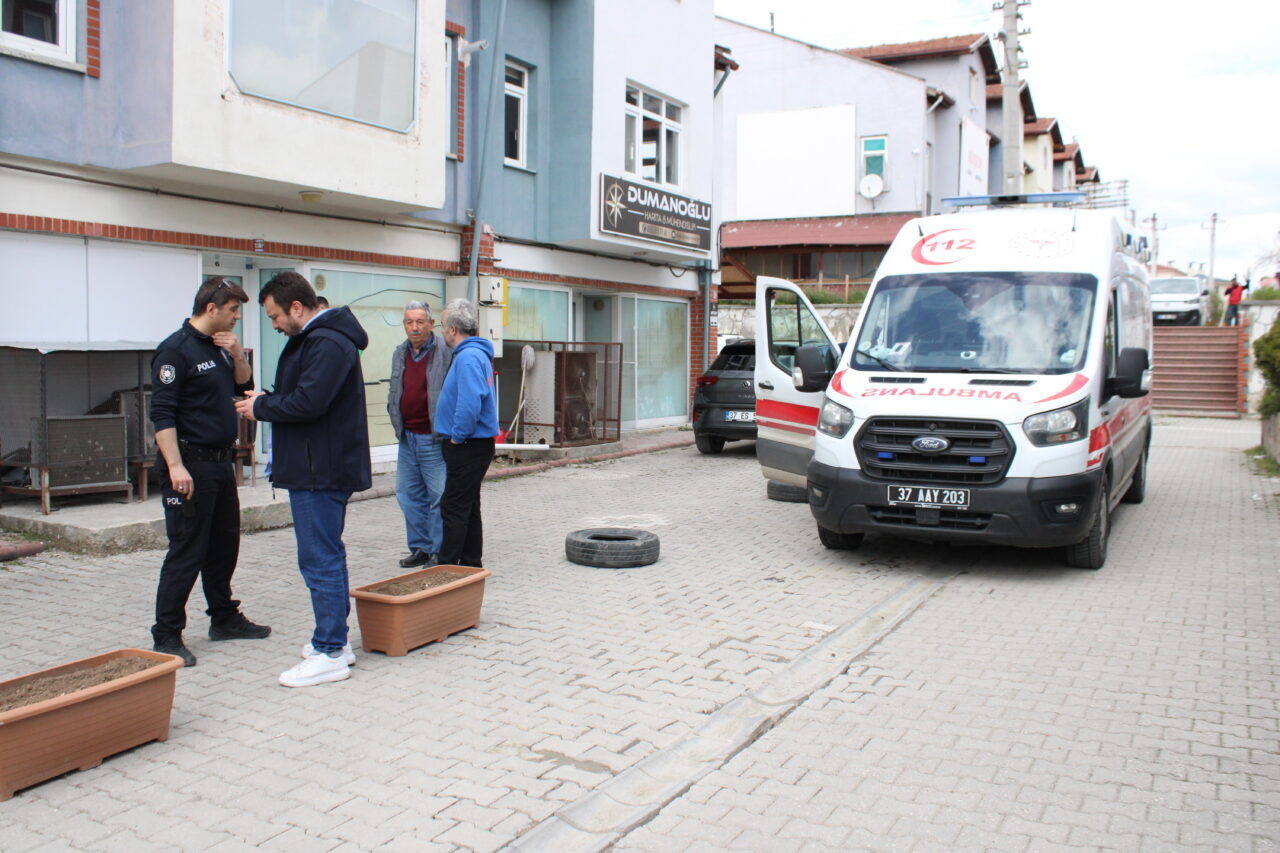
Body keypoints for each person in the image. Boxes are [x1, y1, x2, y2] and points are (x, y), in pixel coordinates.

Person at [235, 272, 370, 688]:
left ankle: (330, 650)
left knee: (320, 558)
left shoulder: (327, 341)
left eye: (275, 316)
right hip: (316, 466)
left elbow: (310, 402)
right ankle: (335, 643)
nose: (273, 325)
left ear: (297, 308)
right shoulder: (316, 338)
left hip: (321, 470)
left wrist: (262, 406)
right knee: (323, 555)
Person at [149, 277, 270, 667]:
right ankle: (166, 635)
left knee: (223, 547)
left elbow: (244, 386)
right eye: (234, 310)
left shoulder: (220, 346)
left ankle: (224, 618)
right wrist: (175, 466)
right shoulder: (174, 351)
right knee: (186, 551)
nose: (237, 318)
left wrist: (236, 354)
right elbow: (162, 414)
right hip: (190, 465)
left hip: (220, 463)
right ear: (211, 308)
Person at [433, 299, 499, 568]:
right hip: (473, 444)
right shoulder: (472, 354)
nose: (441, 331)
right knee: (468, 506)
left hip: (468, 445)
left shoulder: (469, 357)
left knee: (453, 507)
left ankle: (448, 568)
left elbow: (470, 404)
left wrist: (457, 437)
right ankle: (471, 565)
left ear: (451, 329)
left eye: (441, 326)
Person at [388, 301, 453, 568]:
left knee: (437, 495)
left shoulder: (445, 351)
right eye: (409, 322)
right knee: (407, 494)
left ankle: (439, 550)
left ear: (431, 323)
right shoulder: (400, 352)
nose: (414, 327)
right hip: (407, 437)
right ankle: (421, 547)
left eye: (419, 322)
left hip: (432, 438)